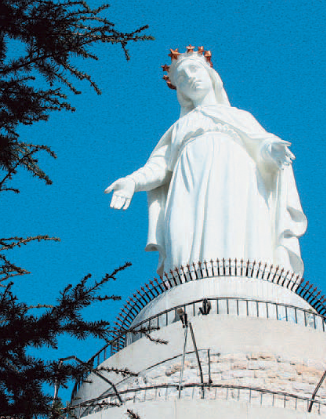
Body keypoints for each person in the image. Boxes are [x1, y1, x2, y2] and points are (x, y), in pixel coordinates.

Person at [106, 46, 307, 276]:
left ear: (211, 76)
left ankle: (242, 280)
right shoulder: (180, 127)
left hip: (236, 182)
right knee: (183, 237)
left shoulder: (240, 117)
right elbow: (160, 166)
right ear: (180, 91)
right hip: (188, 188)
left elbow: (260, 145)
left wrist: (273, 149)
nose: (189, 77)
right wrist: (132, 182)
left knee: (236, 230)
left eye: (193, 69)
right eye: (181, 78)